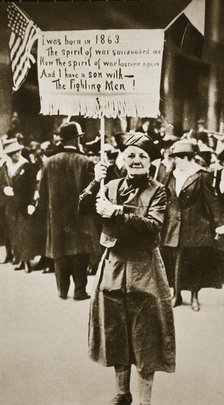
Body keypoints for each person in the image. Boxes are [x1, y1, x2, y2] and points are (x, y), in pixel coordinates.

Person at [79, 133, 175, 405]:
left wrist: (117, 212)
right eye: (131, 155)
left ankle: (145, 400)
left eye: (143, 156)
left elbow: (153, 225)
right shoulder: (108, 185)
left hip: (144, 267)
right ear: (122, 159)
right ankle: (123, 393)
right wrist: (93, 181)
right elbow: (84, 207)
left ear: (151, 163)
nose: (136, 160)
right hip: (114, 264)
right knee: (115, 329)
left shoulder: (158, 190)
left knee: (146, 335)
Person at [160, 140, 224, 311]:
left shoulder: (202, 175)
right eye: (174, 158)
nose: (175, 161)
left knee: (194, 262)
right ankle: (177, 294)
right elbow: (164, 199)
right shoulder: (170, 175)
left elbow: (212, 201)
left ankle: (194, 296)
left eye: (178, 158)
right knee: (173, 260)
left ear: (188, 158)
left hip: (195, 226)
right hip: (173, 225)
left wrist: (219, 224)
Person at [39, 121, 100, 300]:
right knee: (80, 252)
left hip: (57, 216)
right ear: (76, 140)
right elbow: (92, 191)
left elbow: (42, 193)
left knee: (60, 252)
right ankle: (80, 290)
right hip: (80, 216)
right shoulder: (85, 162)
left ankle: (62, 290)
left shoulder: (48, 162)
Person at [0, 138, 37, 272]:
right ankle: (20, 259)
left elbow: (33, 186)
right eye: (13, 153)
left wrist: (32, 203)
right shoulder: (4, 167)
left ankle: (27, 261)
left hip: (23, 205)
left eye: (18, 152)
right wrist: (4, 189)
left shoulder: (26, 166)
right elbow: (1, 183)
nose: (17, 155)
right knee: (14, 233)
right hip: (10, 206)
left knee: (24, 233)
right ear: (9, 155)